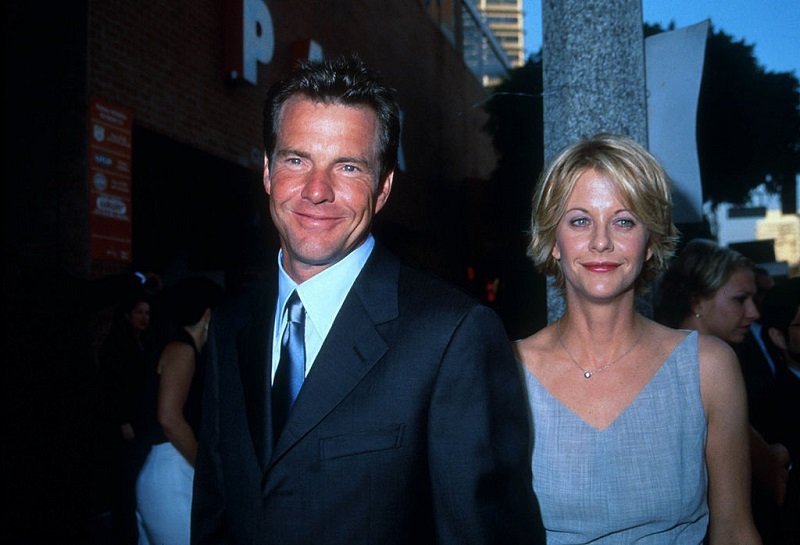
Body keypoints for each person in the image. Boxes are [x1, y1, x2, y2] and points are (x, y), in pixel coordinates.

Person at [191, 56, 543, 544]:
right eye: (297, 160)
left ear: (382, 189)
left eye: (348, 166)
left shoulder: (452, 336)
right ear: (268, 173)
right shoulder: (232, 325)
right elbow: (216, 512)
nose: (317, 191)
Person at [514, 134, 761, 544]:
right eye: (579, 220)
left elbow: (735, 530)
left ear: (650, 242)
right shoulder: (508, 369)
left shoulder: (707, 367)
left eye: (624, 221)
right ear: (553, 241)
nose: (601, 241)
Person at [655, 239, 791, 543]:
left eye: (754, 299)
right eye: (740, 299)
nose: (754, 312)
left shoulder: (722, 359)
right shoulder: (694, 367)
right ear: (697, 302)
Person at [136, 277, 222, 545]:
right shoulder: (181, 349)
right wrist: (206, 468)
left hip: (168, 466)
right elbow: (169, 418)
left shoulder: (182, 348)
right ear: (207, 315)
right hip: (170, 468)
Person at [98, 291, 155, 544]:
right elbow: (112, 386)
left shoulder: (141, 342)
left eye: (147, 313)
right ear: (127, 315)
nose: (144, 318)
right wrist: (122, 420)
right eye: (139, 313)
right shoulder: (118, 345)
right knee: (123, 480)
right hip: (124, 425)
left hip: (137, 422)